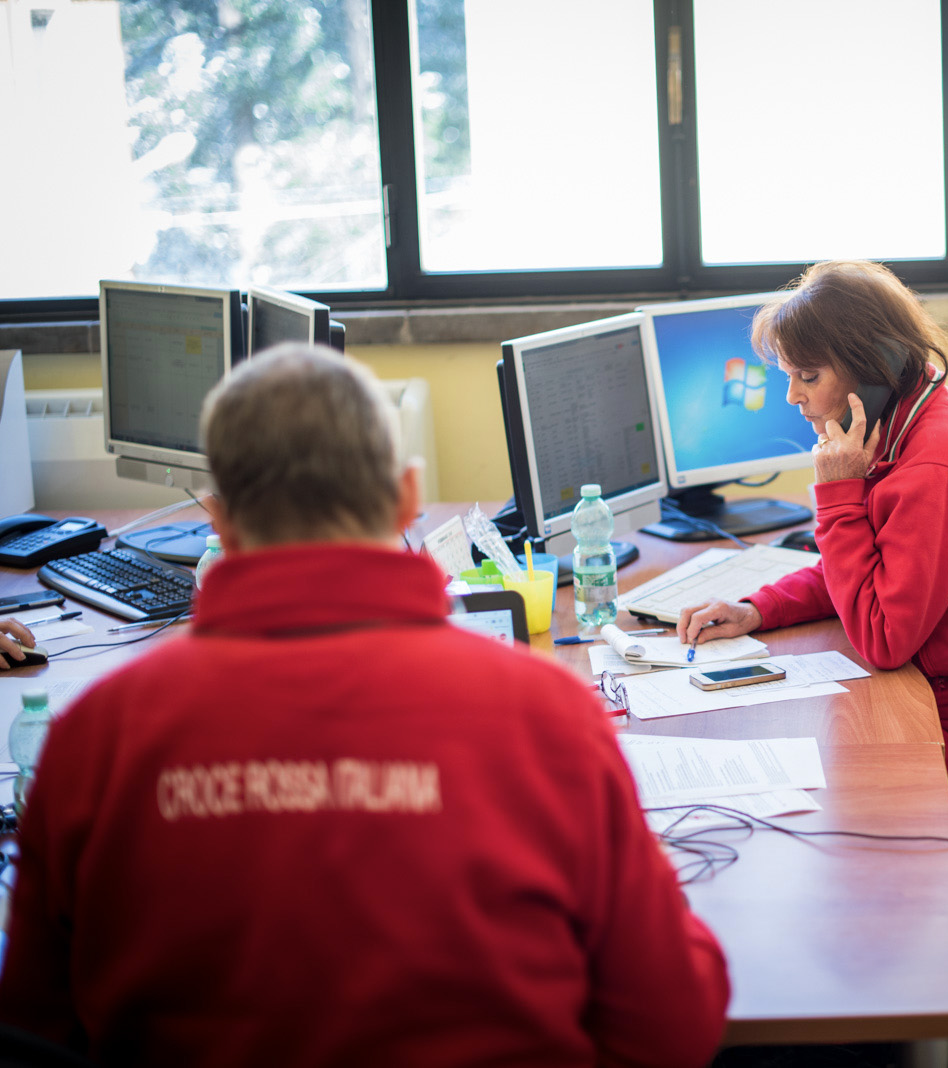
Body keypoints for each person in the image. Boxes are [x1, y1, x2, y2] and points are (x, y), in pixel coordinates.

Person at [0, 346, 729, 1067]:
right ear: (409, 498)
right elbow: (669, 1028)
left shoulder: (91, 738)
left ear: (217, 519)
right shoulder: (544, 714)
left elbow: (35, 1025)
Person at [676, 260, 948, 798]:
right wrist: (759, 608)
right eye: (788, 375)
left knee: (797, 771)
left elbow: (883, 639)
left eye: (808, 376)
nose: (793, 396)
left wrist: (838, 496)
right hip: (943, 701)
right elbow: (864, 570)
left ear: (876, 369)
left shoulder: (934, 467)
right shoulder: (912, 419)